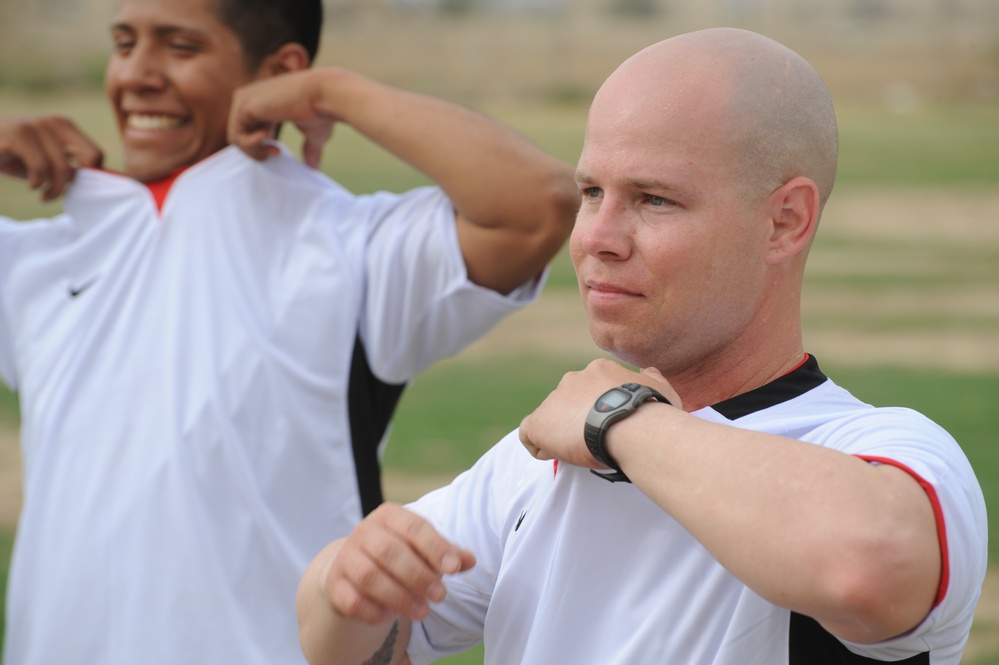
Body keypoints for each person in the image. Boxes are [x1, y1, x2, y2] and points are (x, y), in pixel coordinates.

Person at [295, 27, 989, 665]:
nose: (597, 235)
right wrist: (345, 583)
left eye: (653, 199)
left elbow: (871, 566)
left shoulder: (876, 451)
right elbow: (353, 640)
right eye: (591, 190)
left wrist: (620, 418)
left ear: (784, 220)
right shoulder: (540, 461)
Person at [0, 0, 578, 663]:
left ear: (280, 70)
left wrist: (334, 92)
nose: (136, 73)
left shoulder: (352, 249)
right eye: (124, 43)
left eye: (179, 47)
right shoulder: (40, 258)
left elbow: (539, 204)